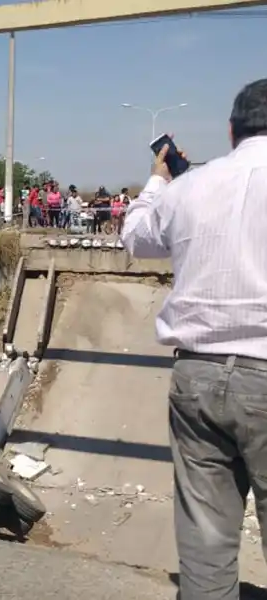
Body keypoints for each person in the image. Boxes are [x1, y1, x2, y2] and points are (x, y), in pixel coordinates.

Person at [121, 78, 267, 600]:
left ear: (232, 132)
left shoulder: (191, 186)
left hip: (198, 376)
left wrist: (160, 179)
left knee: (206, 544)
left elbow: (136, 238)